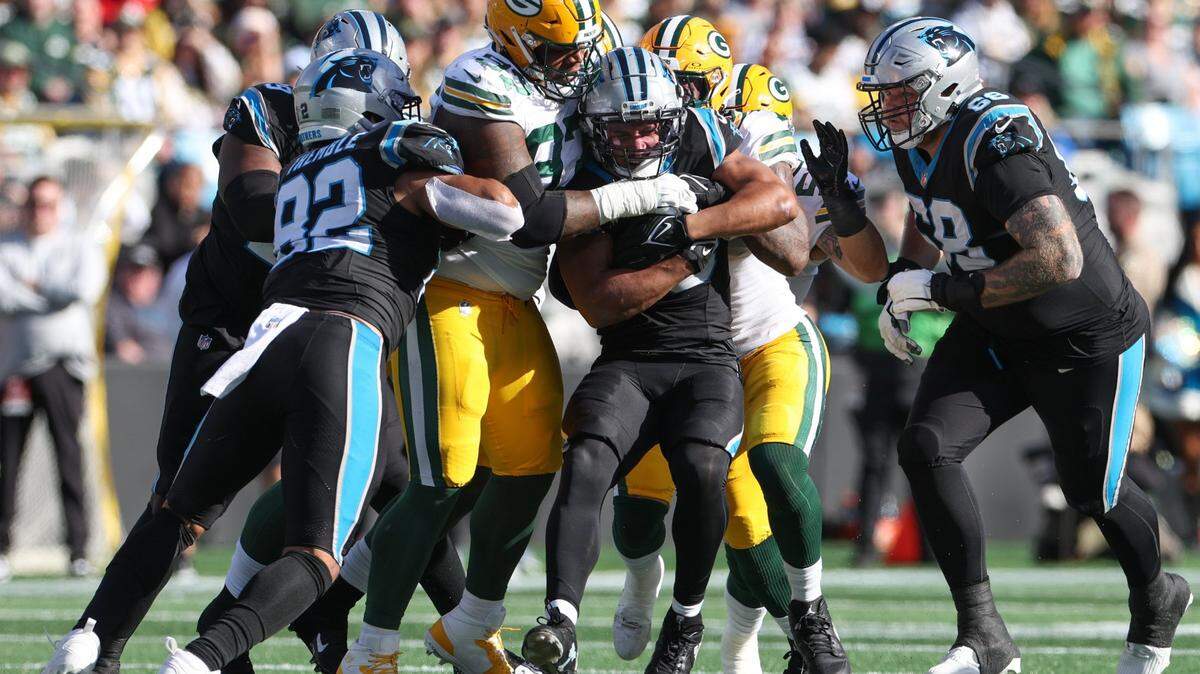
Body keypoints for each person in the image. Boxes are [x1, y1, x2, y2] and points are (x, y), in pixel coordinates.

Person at [39, 12, 415, 674]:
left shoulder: (388, 147)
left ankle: (429, 627)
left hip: (321, 326)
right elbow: (253, 208)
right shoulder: (267, 110)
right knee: (182, 502)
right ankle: (101, 642)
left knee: (394, 484)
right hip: (237, 330)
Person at [337, 3, 703, 672]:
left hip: (516, 298)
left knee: (532, 465)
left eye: (579, 46)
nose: (574, 61)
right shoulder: (482, 82)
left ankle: (471, 625)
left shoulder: (583, 70)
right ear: (512, 38)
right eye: (554, 48)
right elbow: (530, 218)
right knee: (440, 478)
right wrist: (646, 198)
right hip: (448, 290)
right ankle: (373, 644)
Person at [150, 46, 526, 674]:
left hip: (275, 328)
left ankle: (211, 623)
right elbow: (508, 212)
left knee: (391, 479)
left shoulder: (306, 161)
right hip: (326, 328)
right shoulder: (369, 145)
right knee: (345, 525)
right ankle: (220, 637)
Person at [864, 16, 1191, 674]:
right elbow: (932, 215)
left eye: (902, 93)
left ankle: (1158, 599)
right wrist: (904, 280)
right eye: (885, 94)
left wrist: (942, 290)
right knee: (926, 446)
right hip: (998, 324)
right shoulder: (917, 138)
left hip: (1084, 331)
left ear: (947, 87)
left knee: (1091, 493)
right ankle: (982, 635)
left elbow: (1057, 258)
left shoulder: (996, 140)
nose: (888, 107)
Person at [521, 46, 798, 674]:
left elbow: (778, 205)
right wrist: (678, 256)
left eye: (650, 123)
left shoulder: (701, 136)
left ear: (674, 119)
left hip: (706, 354)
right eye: (621, 125)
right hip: (631, 355)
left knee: (703, 467)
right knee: (587, 457)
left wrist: (694, 225)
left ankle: (688, 616)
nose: (638, 138)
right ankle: (560, 622)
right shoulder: (581, 173)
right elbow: (600, 302)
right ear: (594, 125)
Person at [0, 175, 106, 581]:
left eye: (47, 204)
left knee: (69, 457)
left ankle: (77, 548)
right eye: (34, 203)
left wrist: (34, 287)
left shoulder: (78, 245)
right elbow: (5, 297)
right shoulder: (7, 245)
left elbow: (81, 289)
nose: (39, 212)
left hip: (63, 365)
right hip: (16, 368)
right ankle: (4, 547)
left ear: (59, 208)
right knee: (9, 463)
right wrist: (48, 294)